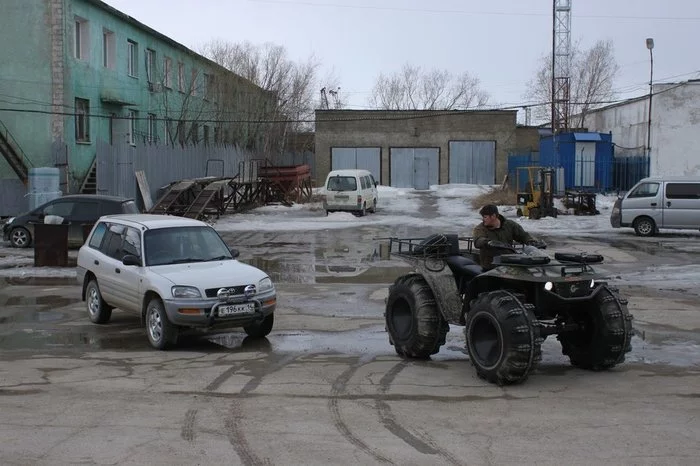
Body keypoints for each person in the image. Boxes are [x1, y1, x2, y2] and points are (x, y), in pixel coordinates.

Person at [473, 204, 540, 268]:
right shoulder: (480, 228)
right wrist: (487, 242)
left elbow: (523, 235)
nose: (483, 219)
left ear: (493, 216)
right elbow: (478, 240)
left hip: (509, 262)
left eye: (485, 217)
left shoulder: (509, 225)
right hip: (491, 265)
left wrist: (530, 241)